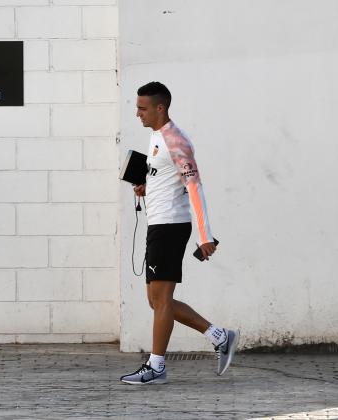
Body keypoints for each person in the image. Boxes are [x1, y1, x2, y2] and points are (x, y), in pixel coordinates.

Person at [120, 81, 239, 385]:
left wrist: (205, 236)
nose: (138, 114)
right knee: (156, 300)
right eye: (137, 107)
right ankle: (220, 336)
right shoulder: (157, 138)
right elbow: (167, 177)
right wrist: (148, 185)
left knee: (161, 300)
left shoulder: (177, 141)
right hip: (158, 224)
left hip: (171, 226)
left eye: (142, 108)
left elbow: (194, 187)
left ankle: (156, 366)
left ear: (161, 107)